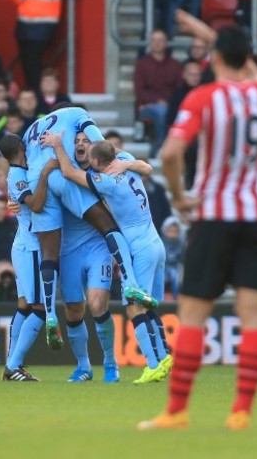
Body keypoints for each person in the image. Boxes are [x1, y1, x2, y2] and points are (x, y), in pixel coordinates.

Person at [139, 13, 257, 431]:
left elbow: (169, 153)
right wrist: (214, 37)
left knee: (194, 313)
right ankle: (241, 412)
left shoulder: (204, 98)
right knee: (253, 315)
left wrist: (180, 197)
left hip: (215, 213)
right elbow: (249, 68)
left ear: (215, 57)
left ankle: (177, 411)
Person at [0, 107, 158, 352]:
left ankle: (110, 363)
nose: (82, 144)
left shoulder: (103, 169)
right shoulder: (77, 166)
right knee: (73, 309)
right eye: (78, 141)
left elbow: (144, 168)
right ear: (71, 142)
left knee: (97, 304)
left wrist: (129, 164)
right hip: (70, 250)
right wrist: (18, 201)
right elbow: (33, 177)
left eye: (86, 141)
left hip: (96, 249)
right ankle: (82, 366)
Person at [43, 133, 171, 385]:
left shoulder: (104, 180)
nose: (88, 160)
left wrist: (58, 145)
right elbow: (146, 167)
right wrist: (128, 164)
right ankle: (164, 356)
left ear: (99, 162)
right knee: (149, 305)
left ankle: (153, 364)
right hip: (156, 243)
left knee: (135, 305)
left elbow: (69, 173)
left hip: (139, 248)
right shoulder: (125, 158)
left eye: (91, 158)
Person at [0, 137, 57, 381]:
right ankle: (13, 366)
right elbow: (35, 204)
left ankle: (12, 366)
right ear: (22, 148)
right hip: (30, 247)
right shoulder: (17, 175)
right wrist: (45, 174)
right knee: (40, 308)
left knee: (24, 307)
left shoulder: (19, 172)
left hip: (23, 244)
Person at [133, 29, 183, 157]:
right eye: (154, 40)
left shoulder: (175, 65)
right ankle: (162, 143)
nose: (157, 43)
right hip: (147, 106)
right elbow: (139, 91)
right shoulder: (142, 64)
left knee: (165, 110)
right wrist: (156, 101)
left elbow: (179, 89)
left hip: (171, 105)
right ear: (150, 43)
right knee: (161, 111)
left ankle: (163, 144)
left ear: (166, 43)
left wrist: (167, 103)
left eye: (161, 40)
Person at [7, 0, 62, 89]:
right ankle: (34, 93)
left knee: (34, 62)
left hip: (44, 22)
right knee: (26, 63)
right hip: (24, 24)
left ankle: (37, 94)